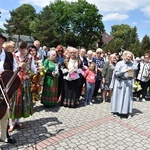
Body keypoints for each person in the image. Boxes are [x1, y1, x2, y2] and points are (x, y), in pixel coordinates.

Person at [8, 41, 37, 132]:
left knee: (22, 101)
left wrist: (36, 71)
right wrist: (18, 68)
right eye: (20, 49)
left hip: (25, 83)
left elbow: (34, 69)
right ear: (18, 48)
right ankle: (11, 123)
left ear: (26, 49)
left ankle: (17, 121)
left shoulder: (30, 57)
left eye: (23, 50)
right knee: (14, 101)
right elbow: (10, 69)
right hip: (15, 82)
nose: (21, 51)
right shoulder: (13, 56)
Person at [0, 33, 17, 143]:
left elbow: (14, 69)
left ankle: (4, 136)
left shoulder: (9, 56)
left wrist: (19, 68)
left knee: (5, 114)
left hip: (6, 89)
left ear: (2, 41)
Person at [110, 51, 137, 118]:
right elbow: (116, 73)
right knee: (118, 97)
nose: (129, 58)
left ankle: (125, 111)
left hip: (127, 82)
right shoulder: (119, 63)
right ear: (125, 56)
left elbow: (135, 69)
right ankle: (116, 111)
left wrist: (134, 61)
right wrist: (124, 71)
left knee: (126, 97)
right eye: (128, 56)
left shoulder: (131, 64)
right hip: (119, 82)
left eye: (130, 57)